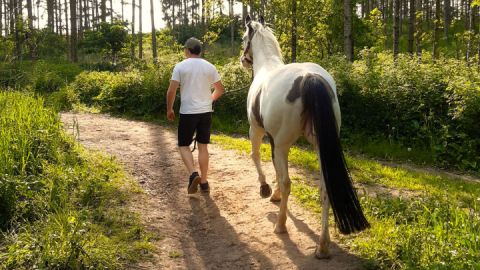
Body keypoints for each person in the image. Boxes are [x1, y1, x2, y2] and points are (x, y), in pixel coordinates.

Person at [166, 37, 225, 194]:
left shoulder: (180, 67)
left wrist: (169, 109)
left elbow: (171, 90)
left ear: (187, 50)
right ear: (199, 50)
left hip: (188, 113)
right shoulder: (209, 66)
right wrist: (209, 100)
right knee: (203, 146)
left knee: (184, 145)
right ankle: (204, 182)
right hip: (205, 112)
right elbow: (220, 89)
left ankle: (193, 174)